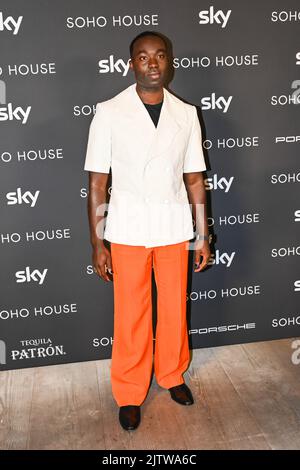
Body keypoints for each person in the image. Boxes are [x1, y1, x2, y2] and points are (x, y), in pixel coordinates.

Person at [84, 31, 211, 431]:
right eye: (143, 57)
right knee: (131, 315)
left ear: (169, 62)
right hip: (126, 230)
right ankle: (129, 390)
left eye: (159, 56)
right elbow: (97, 184)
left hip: (174, 227)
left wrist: (202, 235)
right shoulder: (109, 111)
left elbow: (194, 179)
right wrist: (97, 240)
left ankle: (172, 374)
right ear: (131, 64)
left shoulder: (186, 114)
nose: (152, 63)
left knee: (174, 307)